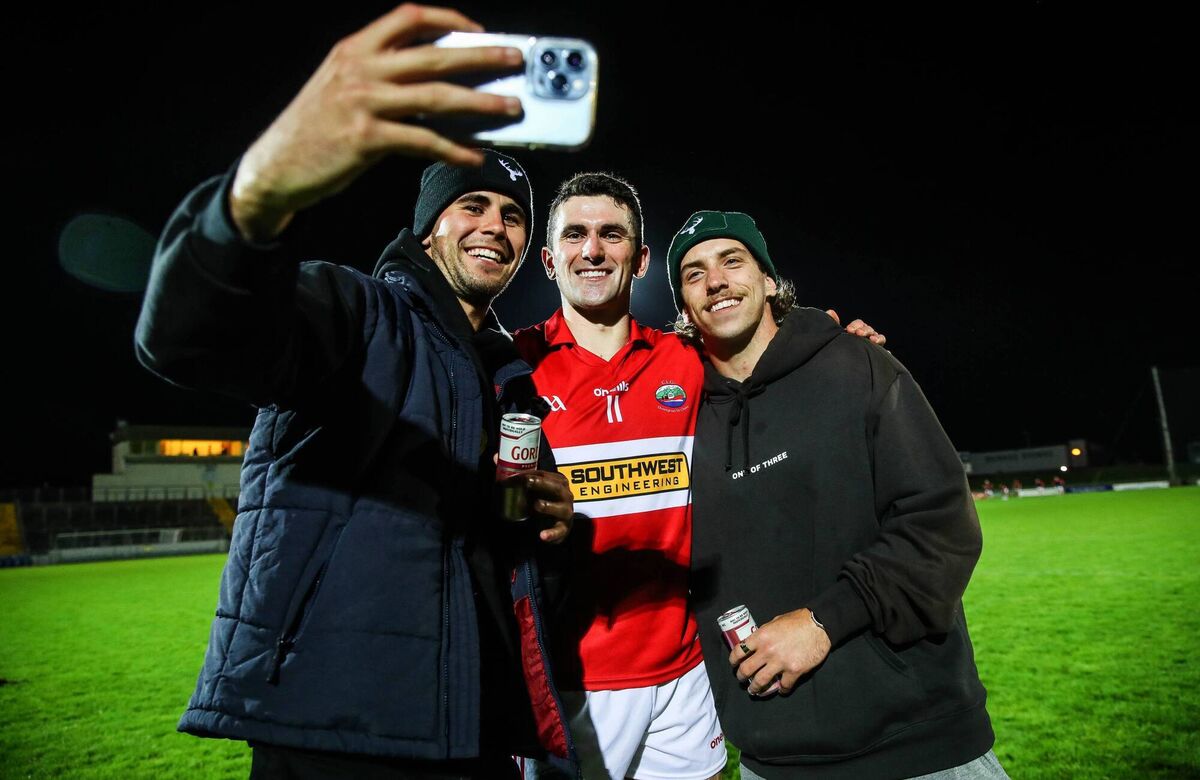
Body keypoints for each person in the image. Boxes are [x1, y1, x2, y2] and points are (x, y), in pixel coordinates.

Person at [135, 5, 579, 778]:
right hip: (337, 728)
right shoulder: (356, 312)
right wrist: (258, 190)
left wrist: (550, 518)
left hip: (469, 724)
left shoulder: (509, 373)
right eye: (472, 205)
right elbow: (189, 336)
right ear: (431, 226)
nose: (496, 228)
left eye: (513, 216)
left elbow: (498, 544)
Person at [515, 176, 884, 780]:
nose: (593, 250)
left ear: (639, 261)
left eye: (612, 235)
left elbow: (772, 359)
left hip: (685, 672)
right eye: (575, 235)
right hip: (569, 678)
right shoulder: (511, 367)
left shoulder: (686, 361)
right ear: (550, 260)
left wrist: (839, 347)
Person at [667, 211, 1007, 779]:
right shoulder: (678, 413)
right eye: (694, 273)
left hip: (922, 745)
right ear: (683, 302)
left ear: (769, 280)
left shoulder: (859, 365)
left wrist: (825, 620)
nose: (717, 281)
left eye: (733, 261)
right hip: (773, 757)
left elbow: (940, 526)